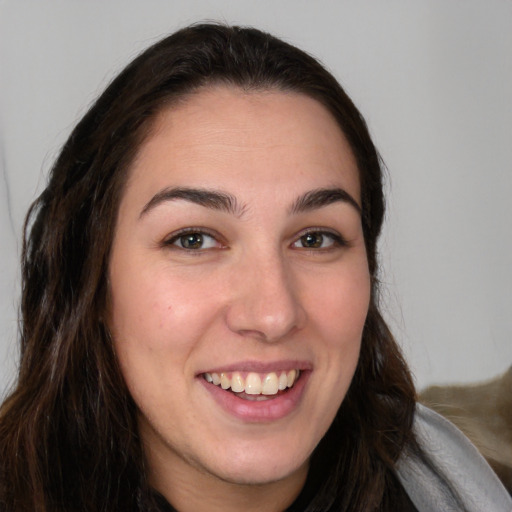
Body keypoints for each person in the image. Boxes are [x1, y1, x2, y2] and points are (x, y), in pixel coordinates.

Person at [0, 23, 509, 512]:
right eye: (193, 239)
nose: (273, 315)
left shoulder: (459, 483)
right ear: (90, 277)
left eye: (315, 238)